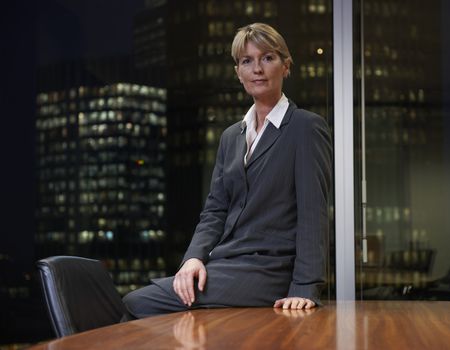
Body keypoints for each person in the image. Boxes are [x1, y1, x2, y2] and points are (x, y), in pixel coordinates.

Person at [122, 22, 332, 319]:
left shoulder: (305, 127)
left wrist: (305, 287)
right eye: (247, 61)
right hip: (224, 265)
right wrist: (194, 258)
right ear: (238, 73)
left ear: (286, 66)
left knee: (136, 303)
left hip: (268, 271)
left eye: (267, 58)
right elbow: (215, 210)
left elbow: (314, 212)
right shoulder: (231, 136)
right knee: (144, 305)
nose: (257, 68)